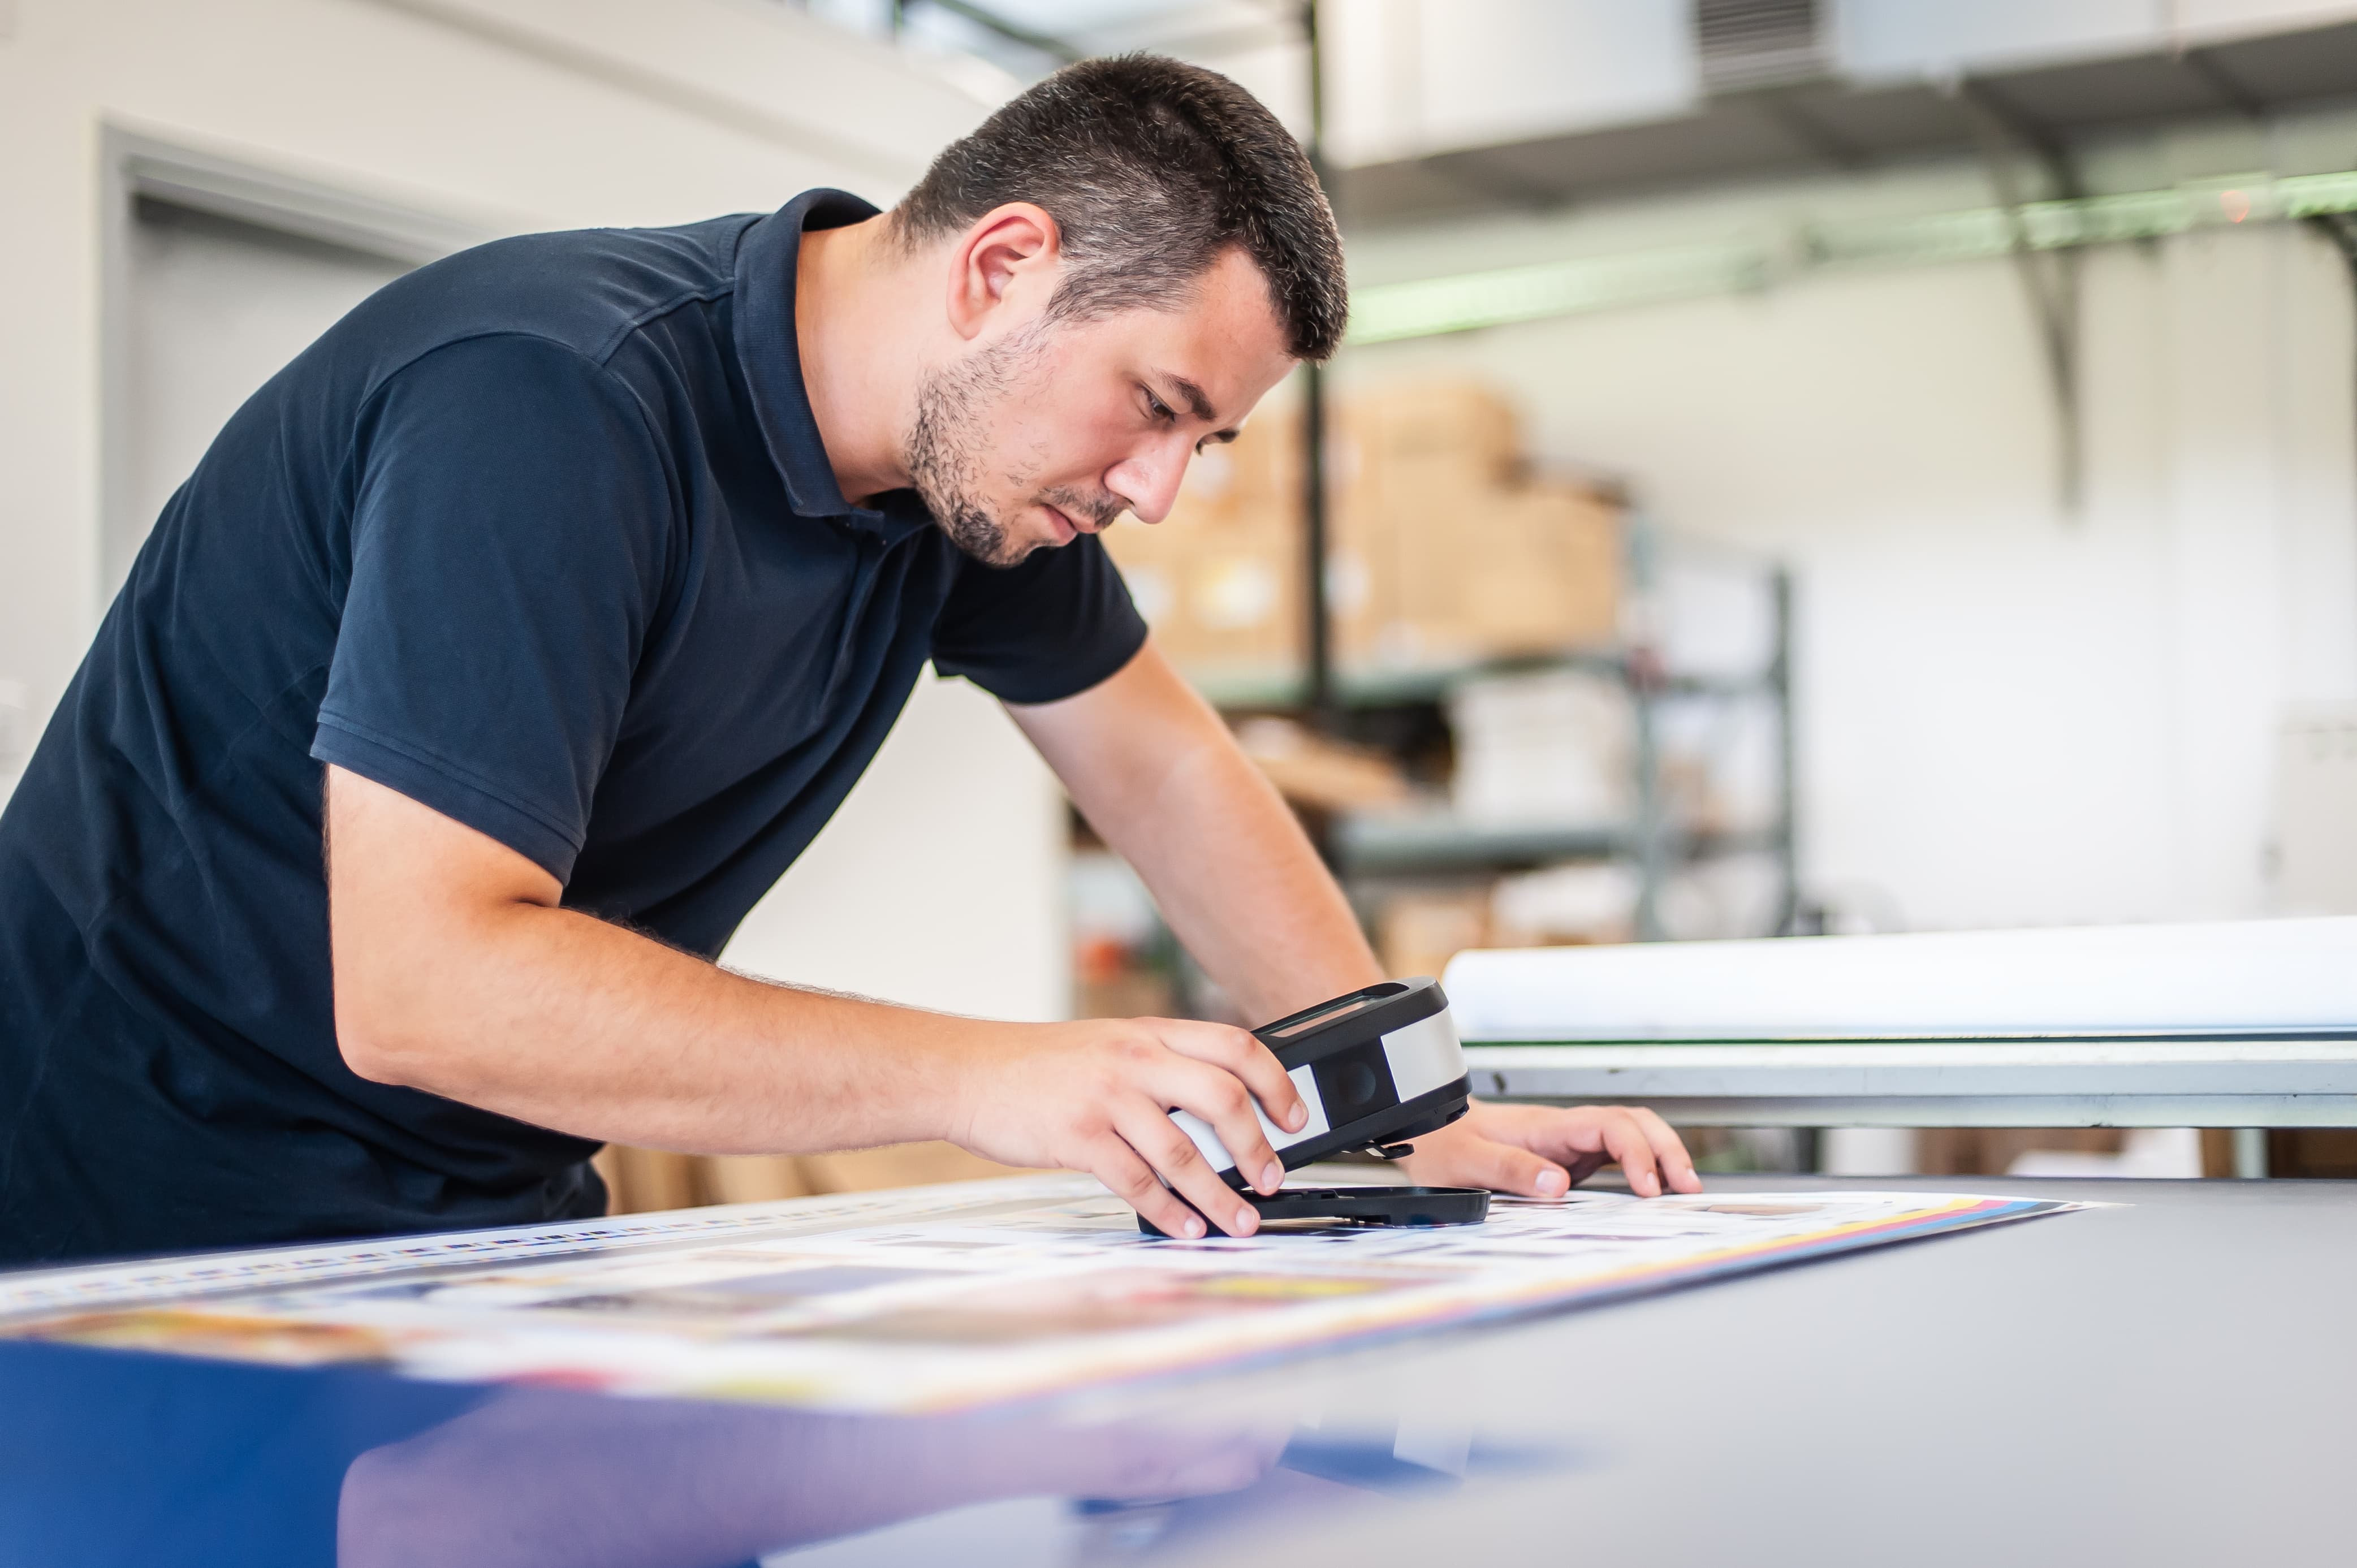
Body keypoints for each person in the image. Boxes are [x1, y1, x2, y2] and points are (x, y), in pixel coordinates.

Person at [0, 55, 1698, 1265]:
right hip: (123, 1229)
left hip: (460, 1224)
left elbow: (1171, 772)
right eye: (1160, 408)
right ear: (1003, 267)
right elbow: (427, 986)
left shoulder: (964, 493)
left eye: (1212, 447)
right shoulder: (549, 404)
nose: (1161, 493)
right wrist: (997, 1075)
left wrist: (1394, 1113)